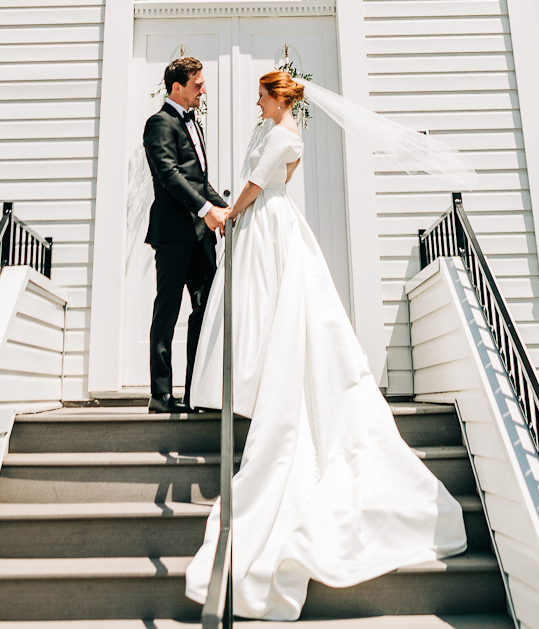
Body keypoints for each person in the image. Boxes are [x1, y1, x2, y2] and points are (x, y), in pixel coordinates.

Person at [184, 69, 467, 621]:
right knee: (269, 308)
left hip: (267, 221)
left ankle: (273, 385)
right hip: (267, 221)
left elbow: (255, 185)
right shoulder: (276, 132)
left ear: (277, 98)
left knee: (279, 308)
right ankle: (261, 379)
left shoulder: (284, 135)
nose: (257, 103)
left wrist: (230, 215)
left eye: (261, 96)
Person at [142, 56, 229, 414]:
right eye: (198, 85)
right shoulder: (159, 124)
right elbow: (169, 175)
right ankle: (160, 394)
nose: (203, 90)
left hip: (201, 237)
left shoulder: (195, 124)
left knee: (205, 310)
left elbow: (198, 181)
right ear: (177, 87)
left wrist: (227, 209)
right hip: (174, 235)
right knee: (167, 311)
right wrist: (208, 211)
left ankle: (196, 392)